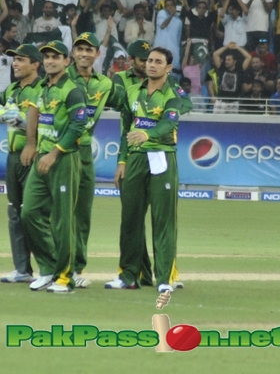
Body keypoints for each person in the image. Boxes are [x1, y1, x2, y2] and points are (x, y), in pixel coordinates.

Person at [105, 46, 182, 293]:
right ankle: (128, 275)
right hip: (136, 159)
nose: (151, 65)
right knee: (130, 219)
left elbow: (168, 123)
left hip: (162, 157)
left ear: (168, 68)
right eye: (149, 60)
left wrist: (147, 133)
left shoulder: (173, 94)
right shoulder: (132, 92)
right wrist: (122, 161)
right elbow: (126, 129)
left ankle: (164, 279)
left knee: (163, 220)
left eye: (158, 61)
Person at [22, 40, 87, 294]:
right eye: (47, 57)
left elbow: (77, 126)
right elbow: (35, 114)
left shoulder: (72, 90)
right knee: (29, 213)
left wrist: (54, 153)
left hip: (63, 159)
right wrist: (32, 144)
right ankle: (48, 268)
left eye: (55, 57)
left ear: (66, 61)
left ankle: (65, 276)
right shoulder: (43, 87)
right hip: (42, 156)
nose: (50, 61)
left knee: (62, 220)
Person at [67, 32, 125, 288]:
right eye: (80, 49)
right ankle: (53, 266)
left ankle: (76, 268)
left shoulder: (104, 84)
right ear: (73, 53)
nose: (84, 54)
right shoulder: (60, 78)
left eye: (89, 50)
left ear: (97, 55)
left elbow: (130, 104)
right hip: (59, 150)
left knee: (82, 214)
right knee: (55, 212)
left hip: (84, 153)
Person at [0, 44, 42, 284]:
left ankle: (49, 269)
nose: (15, 64)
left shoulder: (42, 89)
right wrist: (2, 115)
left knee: (35, 212)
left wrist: (25, 124)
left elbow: (52, 123)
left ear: (35, 64)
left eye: (21, 60)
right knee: (15, 210)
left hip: (34, 155)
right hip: (12, 156)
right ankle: (22, 268)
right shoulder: (12, 89)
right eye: (15, 60)